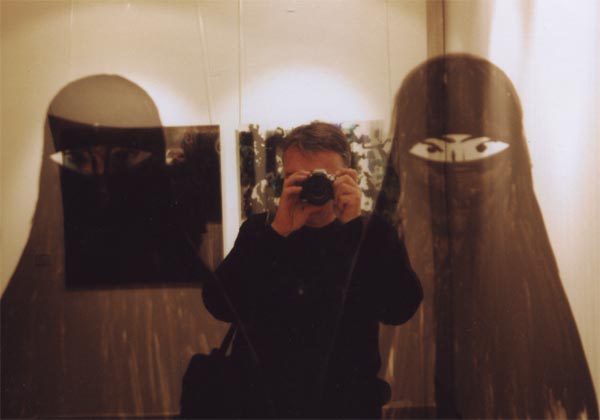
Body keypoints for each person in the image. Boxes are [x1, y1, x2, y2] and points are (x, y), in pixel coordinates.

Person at [375, 54, 598, 419]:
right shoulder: (394, 263)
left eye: (480, 148)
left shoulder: (524, 288)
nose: (458, 178)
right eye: (435, 149)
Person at [203, 121, 423, 419]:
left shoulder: (372, 233)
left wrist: (355, 230)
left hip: (348, 403)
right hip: (265, 403)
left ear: (348, 176)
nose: (312, 188)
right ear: (284, 178)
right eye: (299, 178)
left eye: (322, 178)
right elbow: (218, 303)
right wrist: (277, 233)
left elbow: (401, 308)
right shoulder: (261, 231)